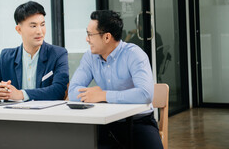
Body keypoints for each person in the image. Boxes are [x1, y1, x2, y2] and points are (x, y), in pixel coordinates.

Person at [68, 10, 163, 149]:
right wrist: (95, 95)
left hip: (139, 122)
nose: (87, 39)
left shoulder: (134, 54)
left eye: (90, 34)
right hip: (105, 123)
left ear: (107, 37)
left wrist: (104, 95)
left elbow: (145, 94)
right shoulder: (90, 57)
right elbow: (72, 92)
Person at [0, 1, 69, 101]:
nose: (39, 31)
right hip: (13, 115)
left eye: (42, 25)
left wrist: (21, 94)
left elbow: (59, 90)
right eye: (33, 26)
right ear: (19, 29)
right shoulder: (6, 57)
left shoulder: (58, 54)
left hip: (45, 114)